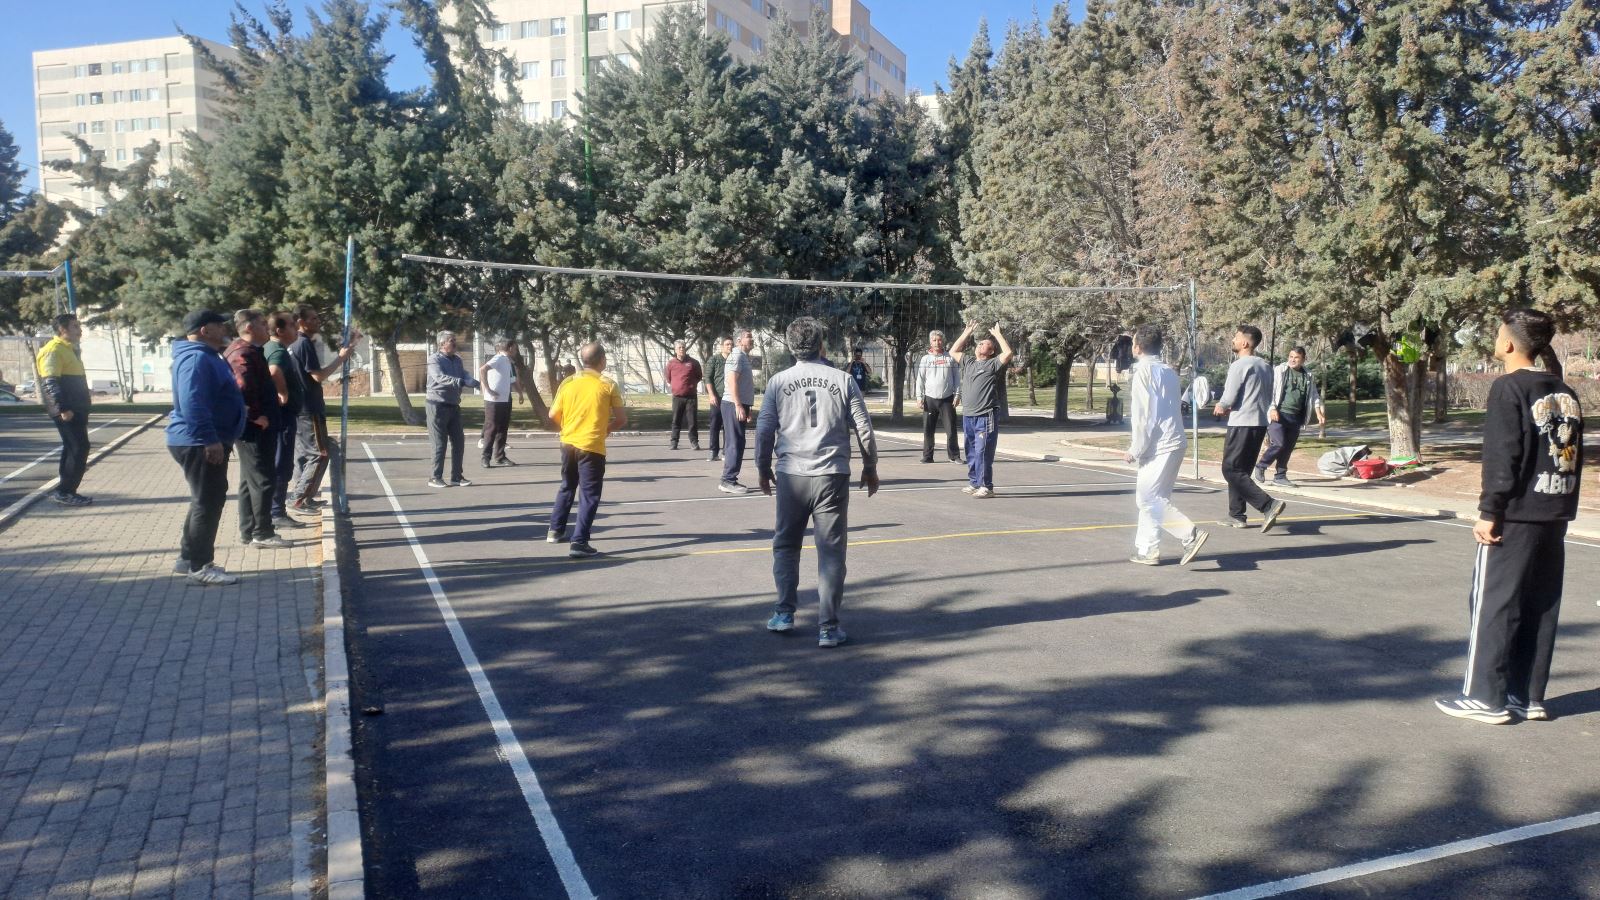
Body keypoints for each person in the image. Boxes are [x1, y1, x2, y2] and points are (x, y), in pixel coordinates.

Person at [1437, 308, 1582, 724]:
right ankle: (1527, 696)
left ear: (1508, 343)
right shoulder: (1564, 390)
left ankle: (1485, 697)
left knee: (1494, 604)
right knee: (1540, 605)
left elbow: (1503, 456)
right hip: (1554, 511)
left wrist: (1490, 511)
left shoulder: (1508, 387)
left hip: (1515, 515)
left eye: (1498, 332)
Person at [757, 317, 880, 648]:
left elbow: (765, 429)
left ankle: (784, 613)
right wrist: (870, 466)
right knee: (831, 551)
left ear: (790, 346)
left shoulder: (778, 382)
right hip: (831, 474)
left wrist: (762, 467)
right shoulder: (843, 380)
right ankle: (828, 627)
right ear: (822, 344)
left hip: (792, 475)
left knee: (786, 545)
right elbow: (864, 428)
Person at [167, 309, 247, 586]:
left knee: (204, 499)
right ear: (205, 330)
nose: (224, 328)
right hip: (198, 441)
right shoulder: (196, 359)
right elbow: (192, 402)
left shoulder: (208, 355)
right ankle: (200, 567)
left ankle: (188, 558)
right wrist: (209, 439)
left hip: (204, 438)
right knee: (208, 502)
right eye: (219, 325)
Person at [1124, 325, 1207, 567]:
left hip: (1159, 445)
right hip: (1174, 442)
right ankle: (1148, 549)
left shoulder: (1144, 372)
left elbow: (1144, 416)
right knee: (1154, 498)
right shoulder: (1168, 371)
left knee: (1148, 499)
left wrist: (1135, 448)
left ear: (1138, 347)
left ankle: (1189, 534)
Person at [547, 342, 627, 558]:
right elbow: (621, 419)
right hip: (591, 445)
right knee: (589, 495)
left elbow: (553, 414)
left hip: (568, 442)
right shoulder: (607, 384)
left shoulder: (568, 382)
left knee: (567, 485)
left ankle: (555, 530)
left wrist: (568, 427)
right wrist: (606, 429)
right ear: (602, 360)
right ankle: (579, 542)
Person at [224, 309, 290, 549]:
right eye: (262, 324)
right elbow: (241, 386)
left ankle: (249, 530)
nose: (267, 328)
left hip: (254, 426)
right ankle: (262, 532)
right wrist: (255, 415)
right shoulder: (242, 353)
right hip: (254, 429)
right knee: (262, 479)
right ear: (249, 327)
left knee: (249, 480)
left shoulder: (250, 350)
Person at [1214, 325, 1287, 531]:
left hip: (1242, 423)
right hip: (1259, 423)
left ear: (1245, 343)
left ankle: (1268, 505)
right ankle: (1237, 515)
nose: (1233, 340)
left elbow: (1229, 396)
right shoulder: (1265, 366)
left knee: (1230, 469)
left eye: (1236, 337)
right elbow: (1261, 395)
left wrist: (1222, 406)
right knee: (1242, 470)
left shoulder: (1239, 365)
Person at [288, 306, 360, 513]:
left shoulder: (294, 343)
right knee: (320, 454)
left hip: (301, 406)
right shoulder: (303, 343)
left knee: (304, 455)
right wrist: (341, 358)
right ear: (300, 322)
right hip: (308, 408)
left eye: (317, 317)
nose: (317, 321)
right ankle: (299, 498)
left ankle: (305, 496)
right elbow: (318, 376)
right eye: (313, 318)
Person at [950, 321, 1014, 498]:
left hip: (986, 415)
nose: (980, 344)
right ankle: (974, 483)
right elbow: (953, 351)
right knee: (970, 451)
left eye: (985, 344)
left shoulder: (992, 364)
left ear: (991, 351)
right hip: (968, 415)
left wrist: (998, 335)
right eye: (979, 343)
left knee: (982, 451)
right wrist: (966, 332)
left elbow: (1008, 353)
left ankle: (987, 486)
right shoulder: (969, 362)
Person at [36, 313, 93, 507]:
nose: (80, 330)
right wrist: (64, 408)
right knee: (79, 447)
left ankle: (65, 490)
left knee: (74, 447)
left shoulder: (69, 349)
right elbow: (50, 382)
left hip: (77, 408)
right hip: (67, 410)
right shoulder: (53, 350)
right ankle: (65, 491)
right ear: (63, 329)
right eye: (75, 326)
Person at [1255, 347, 1327, 487]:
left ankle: (1280, 476)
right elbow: (1270, 390)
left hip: (1296, 416)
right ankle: (1261, 466)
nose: (1292, 360)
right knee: (1279, 443)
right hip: (1279, 414)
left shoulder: (1308, 375)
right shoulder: (1280, 370)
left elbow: (1314, 395)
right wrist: (1272, 408)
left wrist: (1319, 413)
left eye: (1296, 357)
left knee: (1287, 447)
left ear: (1303, 359)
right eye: (1291, 356)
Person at [264, 311, 309, 533]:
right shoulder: (278, 351)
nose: (297, 329)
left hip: (281, 417)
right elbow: (274, 372)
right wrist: (283, 393)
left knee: (280, 463)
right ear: (280, 330)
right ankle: (276, 512)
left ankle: (275, 511)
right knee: (281, 465)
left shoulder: (271, 348)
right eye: (292, 325)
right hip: (282, 418)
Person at [425, 331, 480, 488]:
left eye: (455, 340)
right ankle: (435, 477)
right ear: (442, 344)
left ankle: (456, 477)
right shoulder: (434, 359)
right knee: (439, 444)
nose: (455, 343)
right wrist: (461, 382)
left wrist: (474, 382)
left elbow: (464, 374)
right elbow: (439, 378)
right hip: (437, 405)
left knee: (459, 442)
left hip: (454, 406)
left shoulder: (457, 359)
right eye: (451, 340)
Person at [915, 330, 962, 464]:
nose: (937, 342)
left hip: (947, 399)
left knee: (951, 429)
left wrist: (957, 394)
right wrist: (919, 397)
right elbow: (920, 379)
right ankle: (927, 456)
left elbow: (957, 378)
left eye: (939, 340)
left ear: (943, 341)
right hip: (929, 399)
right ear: (930, 342)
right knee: (928, 430)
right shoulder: (925, 359)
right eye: (934, 340)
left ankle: (954, 456)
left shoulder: (950, 358)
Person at [719, 329, 757, 494]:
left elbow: (744, 385)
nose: (752, 339)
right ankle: (728, 480)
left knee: (738, 442)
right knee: (734, 443)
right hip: (732, 404)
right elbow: (731, 381)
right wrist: (738, 405)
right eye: (748, 337)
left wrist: (747, 407)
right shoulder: (736, 356)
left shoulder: (743, 357)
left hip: (740, 404)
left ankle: (729, 479)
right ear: (739, 340)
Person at [477, 339, 522, 467]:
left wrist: (520, 393)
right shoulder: (499, 358)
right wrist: (488, 389)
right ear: (510, 348)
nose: (516, 350)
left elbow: (512, 380)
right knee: (491, 429)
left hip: (505, 399)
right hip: (494, 401)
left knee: (503, 428)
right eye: (515, 348)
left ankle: (500, 456)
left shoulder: (508, 361)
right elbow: (482, 370)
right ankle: (485, 457)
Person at [664, 340, 703, 451]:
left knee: (692, 421)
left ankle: (694, 442)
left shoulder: (693, 363)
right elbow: (668, 378)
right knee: (676, 420)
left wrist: (690, 386)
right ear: (675, 350)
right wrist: (677, 386)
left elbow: (699, 376)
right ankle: (674, 442)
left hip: (691, 397)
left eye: (683, 347)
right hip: (677, 397)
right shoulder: (671, 363)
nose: (682, 349)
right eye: (679, 347)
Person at [704, 337, 732, 461]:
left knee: (728, 426)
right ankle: (713, 451)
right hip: (717, 397)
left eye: (731, 344)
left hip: (730, 397)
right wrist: (711, 395)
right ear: (721, 346)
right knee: (715, 424)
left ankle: (726, 452)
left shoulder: (734, 360)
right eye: (727, 344)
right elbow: (707, 378)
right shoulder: (714, 359)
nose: (729, 346)